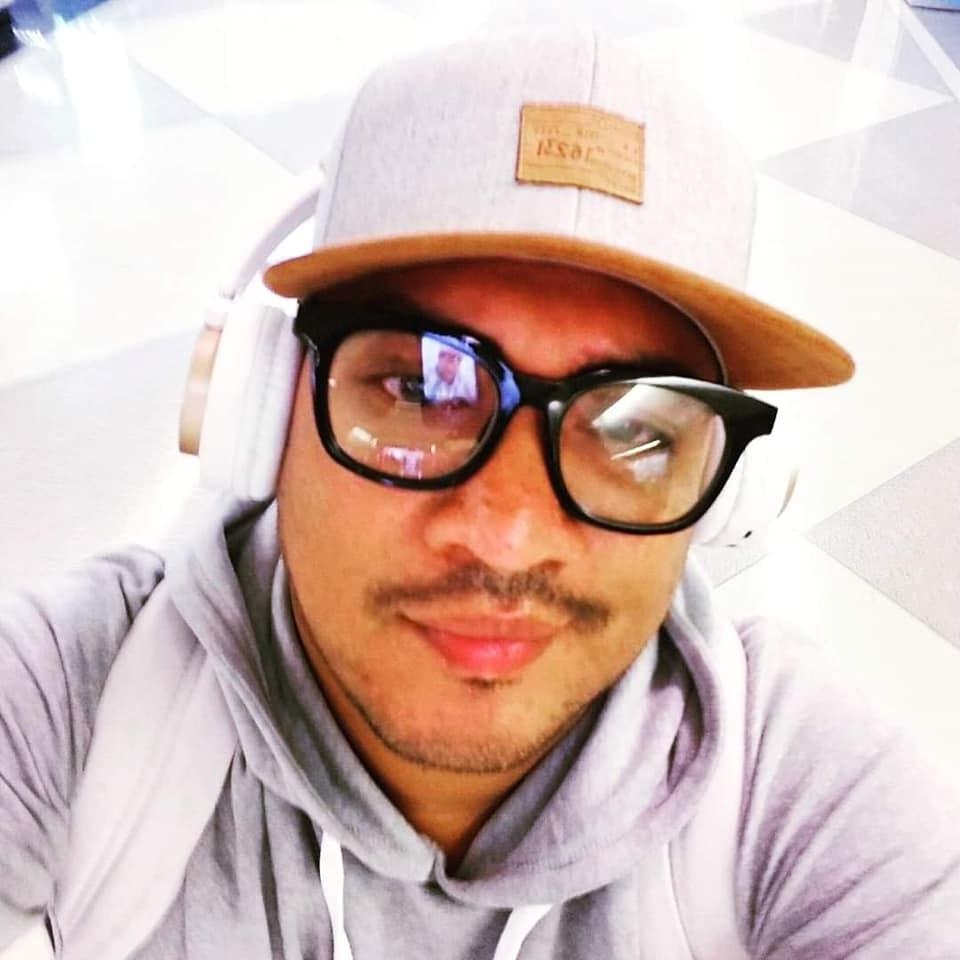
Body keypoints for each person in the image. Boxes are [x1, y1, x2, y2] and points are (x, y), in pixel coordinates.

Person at [2, 27, 959, 960]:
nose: (508, 538)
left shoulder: (808, 799)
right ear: (264, 405)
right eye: (421, 389)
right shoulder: (68, 703)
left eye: (634, 428)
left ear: (725, 493)